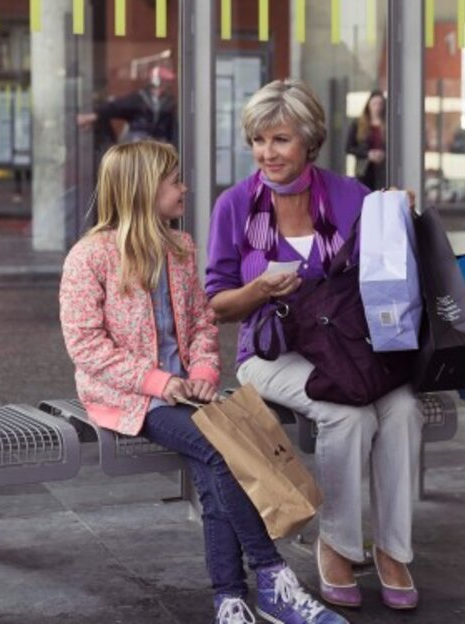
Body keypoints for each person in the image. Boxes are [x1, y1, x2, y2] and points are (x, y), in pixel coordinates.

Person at [59, 140, 347, 624]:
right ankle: (273, 578)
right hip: (129, 397)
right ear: (142, 189)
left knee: (214, 468)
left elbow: (201, 324)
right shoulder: (90, 257)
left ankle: (231, 600)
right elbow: (86, 347)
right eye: (173, 180)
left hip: (186, 392)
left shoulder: (180, 247)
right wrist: (159, 382)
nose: (183, 188)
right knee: (220, 450)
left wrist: (203, 373)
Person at [206, 79, 422, 613]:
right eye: (257, 140)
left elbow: (389, 264)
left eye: (279, 140)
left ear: (308, 141)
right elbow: (216, 303)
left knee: (403, 408)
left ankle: (395, 550)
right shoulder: (235, 205)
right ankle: (339, 546)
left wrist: (401, 214)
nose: (266, 153)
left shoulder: (351, 195)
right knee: (347, 415)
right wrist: (259, 289)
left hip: (351, 347)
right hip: (269, 354)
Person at [77, 65, 177, 144]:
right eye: (164, 82)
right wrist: (93, 116)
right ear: (156, 81)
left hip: (160, 142)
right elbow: (115, 107)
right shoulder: (139, 98)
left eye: (168, 83)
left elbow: (172, 127)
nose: (166, 86)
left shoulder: (169, 102)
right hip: (138, 141)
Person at [344, 90, 386, 191]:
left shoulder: (387, 124)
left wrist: (384, 154)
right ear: (368, 105)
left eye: (380, 104)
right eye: (374, 104)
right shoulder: (358, 124)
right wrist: (368, 154)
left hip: (383, 170)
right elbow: (349, 147)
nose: (377, 107)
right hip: (364, 170)